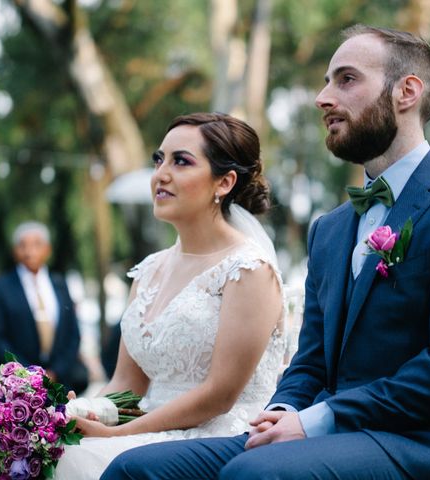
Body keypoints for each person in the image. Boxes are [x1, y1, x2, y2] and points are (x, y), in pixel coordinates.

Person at [104, 25, 430, 480]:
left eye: (345, 80)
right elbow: (310, 361)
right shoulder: (331, 228)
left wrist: (315, 421)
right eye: (326, 81)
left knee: (256, 474)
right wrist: (284, 409)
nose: (323, 97)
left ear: (407, 91)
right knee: (135, 469)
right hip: (328, 434)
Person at [53, 112, 285, 479]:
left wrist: (118, 433)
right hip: (146, 427)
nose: (161, 174)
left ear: (223, 183)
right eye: (159, 159)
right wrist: (81, 411)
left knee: (74, 461)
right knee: (43, 449)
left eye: (181, 161)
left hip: (218, 437)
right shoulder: (148, 271)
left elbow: (219, 395)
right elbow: (127, 386)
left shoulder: (249, 270)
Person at [0, 221, 88, 394]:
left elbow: (72, 334)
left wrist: (56, 371)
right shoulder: (0, 288)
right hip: (16, 388)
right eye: (23, 245)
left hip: (59, 384)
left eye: (36, 245)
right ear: (15, 251)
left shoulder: (60, 285)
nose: (29, 251)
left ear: (48, 249)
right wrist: (25, 372)